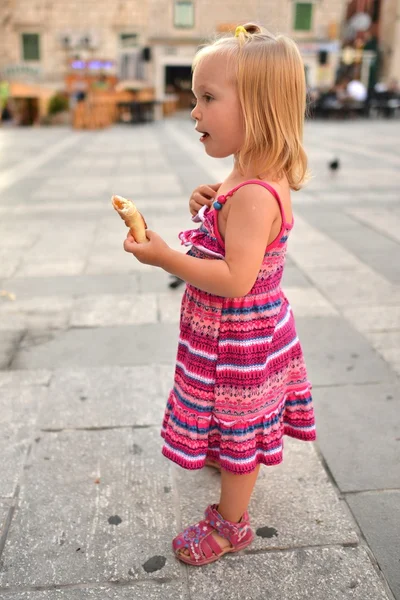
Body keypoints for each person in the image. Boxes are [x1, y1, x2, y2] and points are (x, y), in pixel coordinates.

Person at [123, 23, 316, 566]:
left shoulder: (255, 195)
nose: (195, 112)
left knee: (240, 429)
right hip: (226, 335)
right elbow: (224, 228)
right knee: (222, 413)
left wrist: (165, 256)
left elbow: (236, 279)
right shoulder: (242, 177)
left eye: (208, 98)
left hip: (240, 339)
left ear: (256, 109)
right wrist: (205, 203)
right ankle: (225, 456)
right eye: (195, 98)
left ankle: (232, 524)